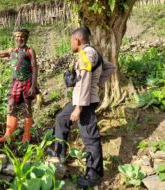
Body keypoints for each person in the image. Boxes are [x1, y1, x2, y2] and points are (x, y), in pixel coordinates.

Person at [54, 27, 116, 188]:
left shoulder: (86, 54)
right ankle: (59, 155)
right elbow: (110, 68)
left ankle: (93, 175)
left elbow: (84, 81)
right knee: (61, 119)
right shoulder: (93, 53)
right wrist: (99, 83)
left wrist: (79, 108)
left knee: (89, 137)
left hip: (84, 102)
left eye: (71, 41)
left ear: (77, 40)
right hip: (81, 99)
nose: (70, 44)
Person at [0, 28, 38, 143]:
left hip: (27, 82)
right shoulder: (11, 51)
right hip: (15, 83)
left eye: (22, 37)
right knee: (11, 106)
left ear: (26, 38)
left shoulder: (30, 51)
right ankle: (8, 135)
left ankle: (27, 136)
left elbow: (34, 68)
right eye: (18, 36)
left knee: (27, 108)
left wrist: (33, 87)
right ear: (15, 37)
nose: (20, 39)